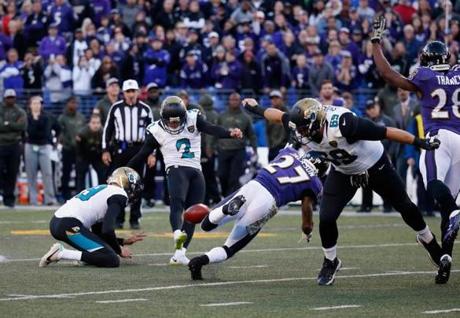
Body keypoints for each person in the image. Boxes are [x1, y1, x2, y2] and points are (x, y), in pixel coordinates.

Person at [243, 97, 441, 286]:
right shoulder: (303, 123)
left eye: (304, 128)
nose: (300, 133)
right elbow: (278, 116)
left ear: (317, 123)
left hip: (373, 164)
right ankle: (331, 261)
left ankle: (429, 241)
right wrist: (256, 108)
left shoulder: (344, 124)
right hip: (344, 170)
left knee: (404, 206)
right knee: (327, 217)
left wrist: (419, 142)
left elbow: (385, 131)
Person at [372, 16, 460, 284]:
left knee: (433, 184)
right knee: (448, 209)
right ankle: (444, 259)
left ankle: (456, 211)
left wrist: (376, 42)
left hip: (438, 137)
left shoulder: (424, 75)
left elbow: (388, 74)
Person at [128, 96, 243, 266]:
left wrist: (229, 133)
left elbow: (212, 129)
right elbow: (142, 154)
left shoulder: (193, 117)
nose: (174, 125)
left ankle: (180, 254)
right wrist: (126, 169)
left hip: (196, 171)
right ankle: (176, 234)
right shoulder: (156, 130)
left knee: (192, 214)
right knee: (177, 203)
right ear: (163, 117)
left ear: (183, 116)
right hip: (176, 168)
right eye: (171, 122)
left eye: (177, 121)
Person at [188, 147, 327, 280]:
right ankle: (199, 261)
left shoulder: (290, 153)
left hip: (253, 186)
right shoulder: (314, 183)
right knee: (230, 248)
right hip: (267, 203)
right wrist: (307, 230)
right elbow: (306, 210)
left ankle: (224, 211)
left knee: (206, 225)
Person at [39, 167, 145, 268]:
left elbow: (99, 233)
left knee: (103, 253)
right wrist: (119, 250)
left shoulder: (105, 190)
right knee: (111, 259)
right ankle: (61, 253)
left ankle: (86, 257)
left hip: (58, 223)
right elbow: (107, 229)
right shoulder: (120, 194)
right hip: (69, 226)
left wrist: (123, 241)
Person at [102, 79, 154, 229]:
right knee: (118, 184)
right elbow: (108, 129)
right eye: (128, 91)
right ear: (123, 93)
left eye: (133, 91)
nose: (131, 94)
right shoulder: (116, 108)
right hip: (120, 149)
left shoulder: (145, 109)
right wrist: (105, 150)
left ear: (138, 92)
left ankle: (134, 218)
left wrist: (152, 153)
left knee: (137, 183)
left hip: (139, 149)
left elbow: (152, 132)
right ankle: (118, 218)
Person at [215, 92, 258, 196]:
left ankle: (230, 198)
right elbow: (215, 131)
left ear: (240, 101)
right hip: (223, 149)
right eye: (232, 99)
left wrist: (255, 149)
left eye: (236, 100)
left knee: (235, 177)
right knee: (221, 175)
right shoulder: (222, 116)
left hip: (238, 151)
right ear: (229, 101)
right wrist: (210, 146)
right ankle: (225, 195)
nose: (234, 102)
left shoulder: (246, 117)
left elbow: (251, 135)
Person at [25, 96, 59, 206]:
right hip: (30, 145)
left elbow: (58, 128)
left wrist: (54, 142)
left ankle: (49, 199)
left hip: (45, 146)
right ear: (30, 105)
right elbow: (24, 131)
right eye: (34, 103)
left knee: (48, 173)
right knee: (31, 174)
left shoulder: (48, 117)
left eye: (38, 103)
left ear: (41, 105)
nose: (36, 105)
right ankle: (33, 199)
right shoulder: (26, 117)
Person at [0, 89, 26, 208]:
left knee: (12, 172)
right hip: (1, 144)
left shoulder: (20, 111)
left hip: (15, 144)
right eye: (8, 97)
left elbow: (22, 126)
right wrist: (12, 125)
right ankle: (2, 194)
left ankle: (9, 198)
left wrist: (7, 124)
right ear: (5, 98)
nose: (10, 99)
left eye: (12, 97)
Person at [75, 114, 108, 192]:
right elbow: (78, 148)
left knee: (102, 174)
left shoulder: (104, 133)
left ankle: (102, 193)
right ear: (89, 123)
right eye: (93, 123)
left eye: (97, 123)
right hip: (84, 155)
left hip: (98, 155)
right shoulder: (82, 133)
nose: (95, 125)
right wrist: (80, 159)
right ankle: (80, 195)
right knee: (81, 175)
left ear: (100, 124)